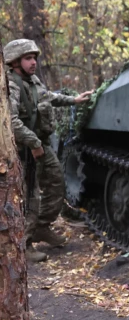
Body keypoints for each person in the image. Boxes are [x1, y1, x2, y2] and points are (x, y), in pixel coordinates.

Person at [5, 39, 93, 263]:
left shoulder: (32, 81)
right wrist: (33, 143)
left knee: (57, 186)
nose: (33, 62)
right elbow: (10, 121)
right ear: (14, 62)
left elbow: (48, 97)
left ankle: (41, 227)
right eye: (28, 58)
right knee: (30, 196)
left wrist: (74, 99)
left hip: (40, 145)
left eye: (34, 57)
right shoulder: (11, 85)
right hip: (25, 149)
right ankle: (25, 243)